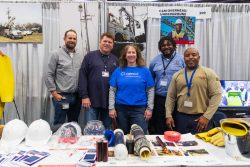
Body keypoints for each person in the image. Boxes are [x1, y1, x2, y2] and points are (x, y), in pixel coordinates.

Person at [165, 47, 222, 134]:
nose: (190, 57)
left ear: (199, 57)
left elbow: (216, 95)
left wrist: (206, 117)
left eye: (194, 55)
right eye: (187, 55)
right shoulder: (177, 75)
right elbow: (171, 97)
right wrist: (168, 115)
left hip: (201, 118)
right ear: (184, 59)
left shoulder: (209, 73)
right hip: (181, 118)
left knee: (202, 146)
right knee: (181, 146)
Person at [109, 44, 155, 134]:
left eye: (133, 52)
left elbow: (150, 90)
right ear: (125, 56)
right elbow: (112, 90)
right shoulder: (118, 71)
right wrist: (111, 108)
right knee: (123, 135)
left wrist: (150, 109)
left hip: (139, 109)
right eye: (128, 52)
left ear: (137, 55)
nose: (131, 54)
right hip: (121, 109)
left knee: (140, 135)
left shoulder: (145, 71)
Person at [78, 32, 118, 129]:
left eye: (110, 42)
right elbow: (82, 76)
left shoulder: (116, 60)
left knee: (107, 130)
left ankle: (104, 145)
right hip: (91, 101)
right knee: (90, 130)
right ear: (100, 42)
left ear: (112, 45)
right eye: (105, 41)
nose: (107, 44)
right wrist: (84, 96)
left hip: (108, 103)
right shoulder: (89, 57)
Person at [45, 29, 83, 126]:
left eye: (74, 38)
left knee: (73, 124)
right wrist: (53, 93)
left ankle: (72, 141)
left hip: (76, 97)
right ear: (64, 39)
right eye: (69, 38)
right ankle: (57, 141)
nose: (72, 40)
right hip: (62, 97)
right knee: (59, 123)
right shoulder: (56, 54)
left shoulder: (80, 55)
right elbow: (49, 74)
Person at [149, 36, 185, 134]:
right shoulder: (154, 61)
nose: (166, 47)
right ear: (160, 48)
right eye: (163, 45)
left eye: (169, 44)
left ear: (174, 45)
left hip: (176, 99)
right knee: (159, 126)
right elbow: (151, 79)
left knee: (175, 125)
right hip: (160, 99)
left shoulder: (182, 59)